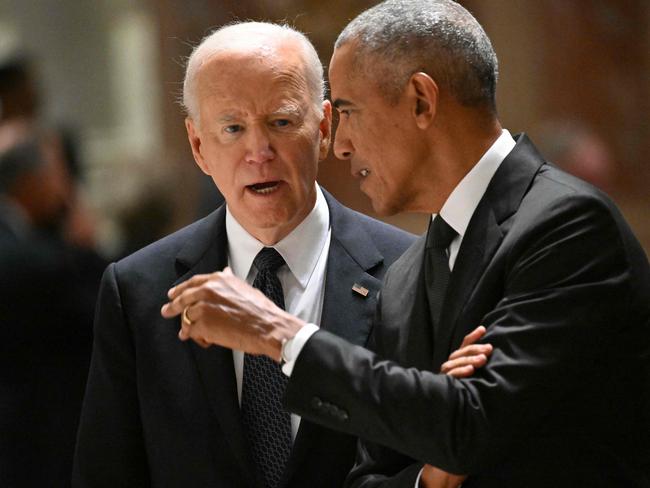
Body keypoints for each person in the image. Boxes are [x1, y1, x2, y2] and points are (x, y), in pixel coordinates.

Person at [162, 1, 650, 487]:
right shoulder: (405, 272)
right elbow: (373, 474)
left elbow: (467, 425)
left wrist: (280, 336)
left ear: (420, 100)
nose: (342, 143)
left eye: (349, 111)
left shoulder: (568, 225)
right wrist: (428, 477)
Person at [74, 21, 492, 488]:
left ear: (325, 127)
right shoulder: (138, 289)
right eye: (232, 128)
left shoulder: (413, 271)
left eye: (281, 122)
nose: (259, 151)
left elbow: (435, 453)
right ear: (198, 145)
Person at [0, 123, 101, 487]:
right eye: (54, 175)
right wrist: (86, 246)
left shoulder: (32, 241)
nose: (63, 188)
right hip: (33, 431)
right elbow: (97, 312)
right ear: (28, 182)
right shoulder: (33, 261)